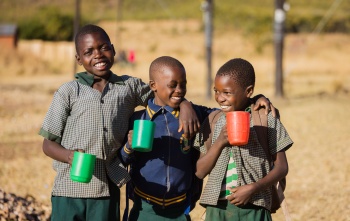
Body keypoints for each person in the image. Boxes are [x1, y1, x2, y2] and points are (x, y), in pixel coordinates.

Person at [38, 25, 201, 221]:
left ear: (114, 50)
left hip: (107, 188)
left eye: (103, 47)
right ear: (79, 59)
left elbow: (165, 94)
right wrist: (69, 156)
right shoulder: (69, 92)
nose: (98, 55)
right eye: (89, 52)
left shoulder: (128, 87)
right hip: (69, 189)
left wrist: (185, 104)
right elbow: (48, 144)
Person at [119, 56, 276, 221]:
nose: (179, 90)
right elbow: (121, 161)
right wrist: (129, 146)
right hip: (144, 209)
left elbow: (229, 107)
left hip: (180, 210)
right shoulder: (138, 120)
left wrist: (255, 99)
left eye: (183, 85)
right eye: (173, 85)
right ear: (153, 86)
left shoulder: (196, 115)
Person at [194, 58, 293, 221]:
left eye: (227, 92)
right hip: (217, 210)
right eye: (216, 91)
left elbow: (282, 167)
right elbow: (199, 171)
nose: (220, 98)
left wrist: (253, 188)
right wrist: (220, 142)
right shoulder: (213, 121)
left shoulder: (264, 118)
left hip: (254, 209)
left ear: (248, 91)